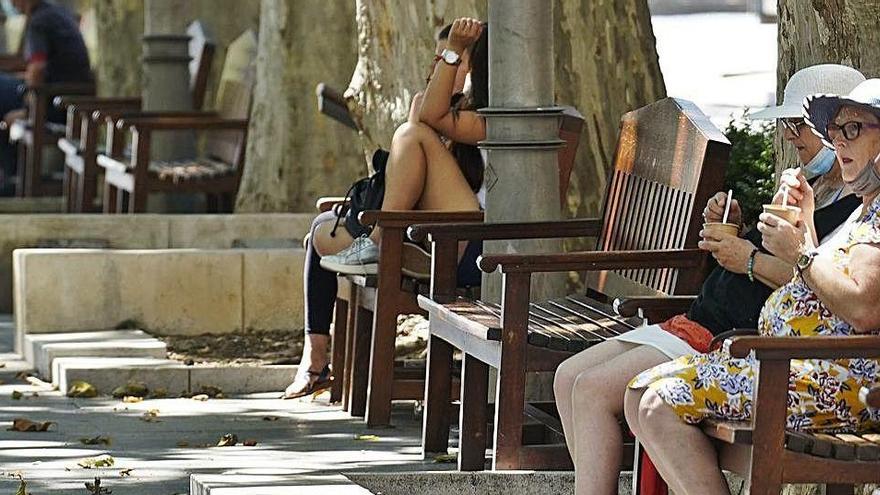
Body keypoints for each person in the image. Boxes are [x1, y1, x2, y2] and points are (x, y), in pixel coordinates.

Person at [552, 64, 865, 495]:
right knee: (572, 378)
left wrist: (749, 259)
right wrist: (738, 229)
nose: (791, 136)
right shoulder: (817, 188)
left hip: (743, 341)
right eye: (836, 130)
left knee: (612, 393)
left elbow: (824, 289)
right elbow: (805, 273)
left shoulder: (859, 207)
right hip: (723, 329)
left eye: (802, 125)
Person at [282, 18, 488, 399]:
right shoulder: (438, 112)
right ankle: (315, 360)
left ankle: (379, 238)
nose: (442, 65)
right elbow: (419, 143)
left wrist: (452, 60)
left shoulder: (494, 119)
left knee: (412, 132)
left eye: (454, 59)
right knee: (322, 229)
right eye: (440, 57)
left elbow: (424, 123)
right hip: (427, 235)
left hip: (469, 245)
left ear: (478, 69)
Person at [0, 0, 93, 194]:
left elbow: (37, 68)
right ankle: (10, 172)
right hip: (69, 102)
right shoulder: (56, 13)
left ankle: (9, 177)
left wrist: (27, 111)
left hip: (52, 104)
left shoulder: (40, 22)